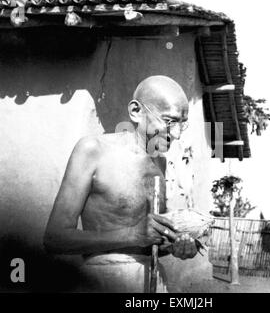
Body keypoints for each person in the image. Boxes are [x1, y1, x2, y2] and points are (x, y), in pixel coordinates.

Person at [43, 75, 198, 292]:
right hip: (103, 280)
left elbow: (149, 242)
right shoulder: (94, 150)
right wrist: (132, 234)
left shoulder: (161, 165)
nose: (177, 134)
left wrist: (175, 246)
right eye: (169, 121)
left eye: (183, 124)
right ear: (136, 111)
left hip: (152, 283)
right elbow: (54, 239)